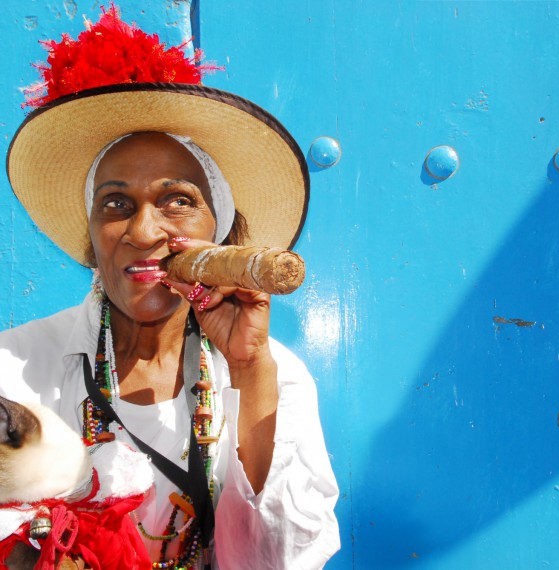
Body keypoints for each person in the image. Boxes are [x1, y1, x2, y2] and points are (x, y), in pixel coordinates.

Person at [0, 5, 340, 570]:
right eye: (116, 204)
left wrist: (249, 370)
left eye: (177, 201)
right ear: (92, 237)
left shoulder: (279, 377)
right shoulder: (15, 367)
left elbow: (287, 557)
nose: (142, 232)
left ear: (218, 233)